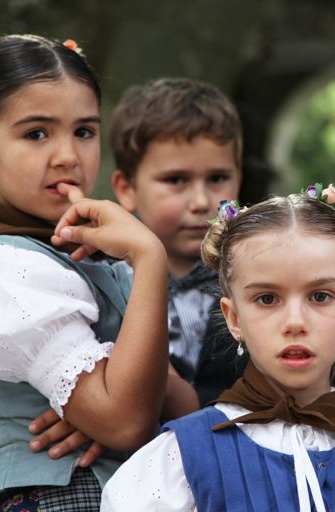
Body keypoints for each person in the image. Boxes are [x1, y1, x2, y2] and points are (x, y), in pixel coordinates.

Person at [0, 33, 193, 512]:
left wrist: (103, 402)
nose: (68, 155)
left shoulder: (90, 255)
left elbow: (181, 403)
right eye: (36, 134)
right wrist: (150, 257)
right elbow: (126, 421)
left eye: (85, 131)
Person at [101, 189, 335, 512]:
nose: (295, 322)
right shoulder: (181, 459)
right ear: (234, 318)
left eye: (320, 296)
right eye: (267, 298)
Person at [110, 77, 245, 405]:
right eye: (176, 180)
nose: (201, 201)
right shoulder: (106, 282)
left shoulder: (257, 275)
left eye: (217, 178)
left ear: (238, 179)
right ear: (127, 189)